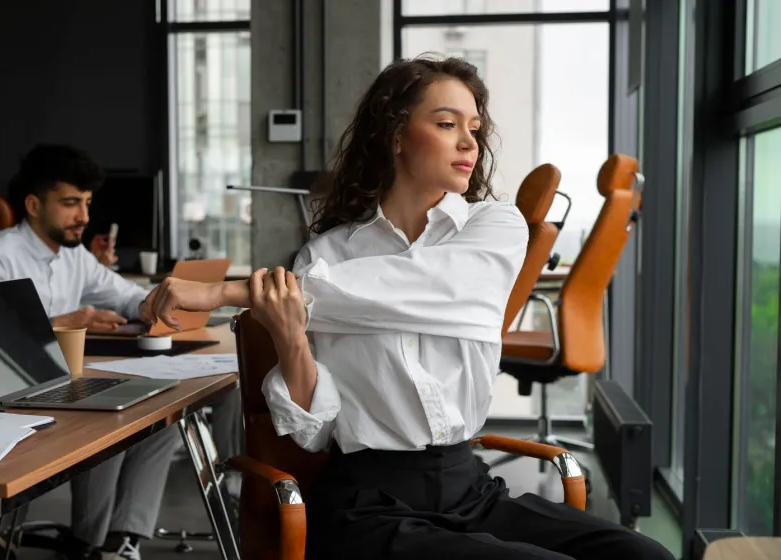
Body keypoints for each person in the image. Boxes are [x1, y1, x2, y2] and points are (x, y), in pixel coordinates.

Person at [141, 56, 675, 560]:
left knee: (642, 553)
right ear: (396, 135)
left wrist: (226, 292)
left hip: (471, 489)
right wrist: (291, 338)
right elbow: (314, 430)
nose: (470, 141)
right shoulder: (327, 255)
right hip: (366, 504)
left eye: (475, 127)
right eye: (448, 124)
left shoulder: (495, 227)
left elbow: (423, 288)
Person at [0, 144, 178, 560]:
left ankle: (120, 541)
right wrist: (65, 324)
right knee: (117, 419)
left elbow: (128, 296)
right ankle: (87, 543)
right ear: (34, 204)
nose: (84, 217)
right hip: (6, 396)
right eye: (71, 203)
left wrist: (161, 302)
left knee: (163, 416)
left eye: (88, 203)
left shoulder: (73, 257)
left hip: (59, 382)